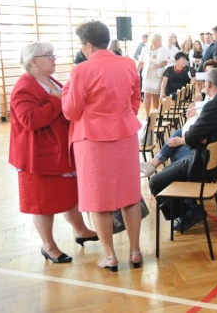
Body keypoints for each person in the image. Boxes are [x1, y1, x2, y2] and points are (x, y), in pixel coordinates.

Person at [62, 20, 143, 272]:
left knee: (99, 199)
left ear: (87, 45)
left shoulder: (81, 71)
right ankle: (135, 251)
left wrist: (65, 91)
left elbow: (70, 111)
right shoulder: (128, 64)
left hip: (93, 139)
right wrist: (122, 117)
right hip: (125, 134)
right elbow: (135, 101)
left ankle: (110, 255)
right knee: (130, 195)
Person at [9, 42, 98, 264]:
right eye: (48, 55)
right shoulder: (24, 87)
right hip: (37, 156)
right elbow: (29, 120)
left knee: (68, 193)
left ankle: (80, 230)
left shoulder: (50, 80)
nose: (53, 58)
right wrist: (56, 100)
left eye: (53, 54)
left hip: (57, 151)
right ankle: (48, 246)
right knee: (42, 203)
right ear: (33, 61)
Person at [148, 68, 217, 230]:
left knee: (155, 182)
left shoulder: (214, 105)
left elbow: (190, 137)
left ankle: (188, 212)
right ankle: (190, 207)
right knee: (168, 170)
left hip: (204, 163)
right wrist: (199, 136)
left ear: (209, 84)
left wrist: (197, 136)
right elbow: (196, 135)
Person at [137, 34, 168, 117]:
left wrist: (158, 65)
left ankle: (155, 114)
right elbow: (141, 62)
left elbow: (165, 62)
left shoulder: (164, 49)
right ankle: (147, 116)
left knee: (155, 96)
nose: (161, 42)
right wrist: (135, 71)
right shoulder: (145, 49)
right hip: (147, 75)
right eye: (159, 40)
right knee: (146, 95)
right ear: (155, 41)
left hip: (157, 76)